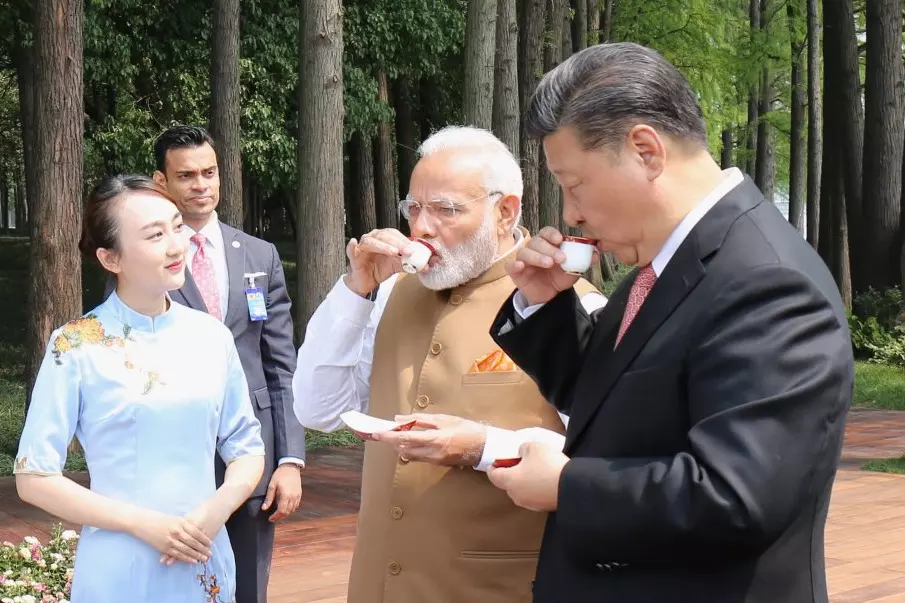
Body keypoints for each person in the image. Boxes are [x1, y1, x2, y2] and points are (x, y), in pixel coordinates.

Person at [484, 43, 853, 602]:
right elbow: (616, 401)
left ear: (645, 150)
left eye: (573, 183)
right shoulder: (669, 261)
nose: (570, 213)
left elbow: (736, 497)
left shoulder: (768, 283)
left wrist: (566, 486)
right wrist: (545, 307)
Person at [292, 126, 606, 603]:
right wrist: (355, 291)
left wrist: (481, 446)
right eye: (414, 208)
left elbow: (603, 460)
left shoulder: (573, 309)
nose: (421, 226)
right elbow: (318, 410)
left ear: (505, 212)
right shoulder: (391, 294)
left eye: (446, 209)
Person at [15, 175, 266, 602]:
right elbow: (34, 477)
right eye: (154, 235)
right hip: (121, 564)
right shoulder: (76, 344)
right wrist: (141, 523)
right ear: (110, 258)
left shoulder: (211, 336)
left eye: (176, 227)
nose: (176, 245)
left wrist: (218, 507)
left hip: (204, 555)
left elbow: (246, 446)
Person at [152, 125, 305, 603]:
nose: (201, 185)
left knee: (249, 588)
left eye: (209, 172)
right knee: (177, 584)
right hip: (177, 456)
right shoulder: (146, 257)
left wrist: (289, 459)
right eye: (186, 175)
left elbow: (281, 365)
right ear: (161, 182)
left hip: (253, 453)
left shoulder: (260, 255)